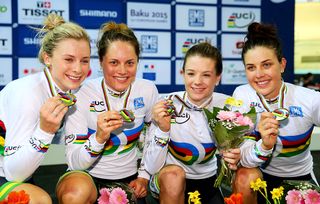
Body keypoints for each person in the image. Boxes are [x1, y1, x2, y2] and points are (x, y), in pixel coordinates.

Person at [56, 22, 159, 204]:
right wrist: (99, 138)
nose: (122, 71)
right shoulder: (81, 93)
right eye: (113, 62)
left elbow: (154, 135)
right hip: (87, 178)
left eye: (130, 63)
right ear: (101, 62)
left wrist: (144, 175)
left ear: (137, 62)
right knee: (75, 194)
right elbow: (74, 163)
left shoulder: (147, 89)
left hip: (130, 180)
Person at [0, 14, 91, 203]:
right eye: (69, 59)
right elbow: (13, 172)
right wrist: (45, 130)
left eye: (84, 60)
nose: (78, 69)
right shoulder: (27, 93)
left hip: (23, 171)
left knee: (80, 189)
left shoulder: (69, 92)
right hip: (10, 172)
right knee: (39, 200)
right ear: (47, 58)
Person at [232, 22, 320, 204]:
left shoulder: (309, 99)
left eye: (266, 65)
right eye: (251, 67)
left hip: (299, 178)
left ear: (282, 64)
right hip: (259, 176)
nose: (259, 74)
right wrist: (264, 146)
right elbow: (244, 157)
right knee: (244, 176)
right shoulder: (242, 95)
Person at [143, 42, 241, 204]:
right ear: (182, 74)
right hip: (169, 180)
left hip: (209, 181)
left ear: (218, 77)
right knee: (173, 176)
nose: (197, 81)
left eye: (206, 75)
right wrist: (163, 129)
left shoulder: (228, 106)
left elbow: (239, 154)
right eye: (191, 73)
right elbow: (152, 167)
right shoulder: (166, 104)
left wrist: (236, 154)